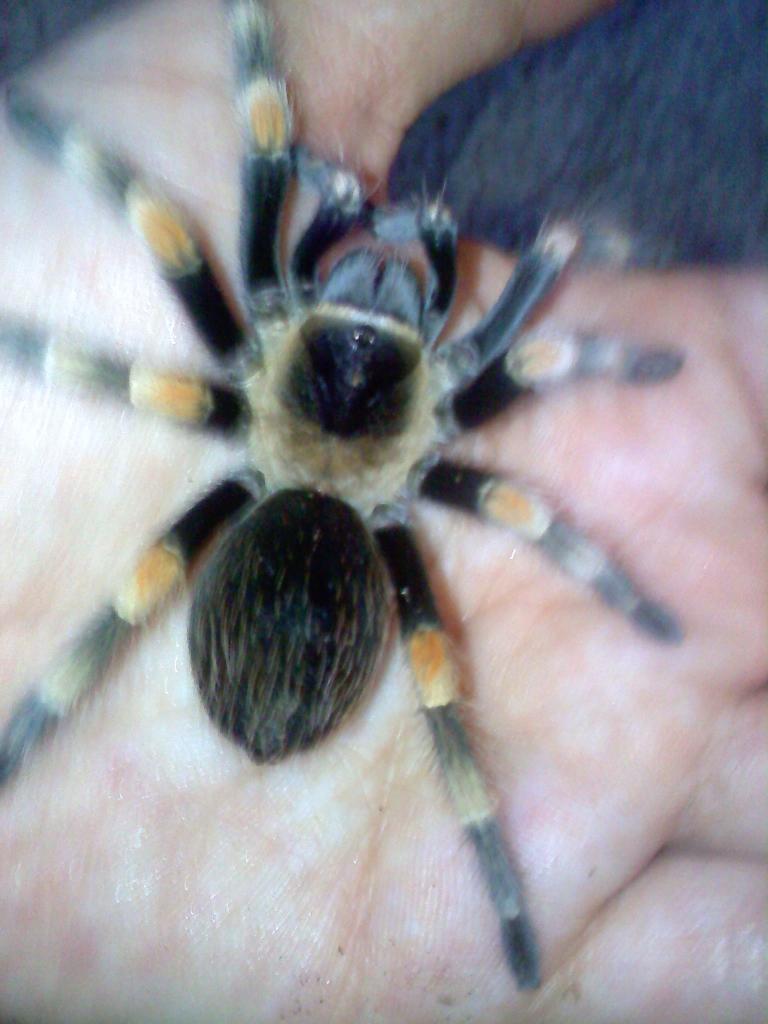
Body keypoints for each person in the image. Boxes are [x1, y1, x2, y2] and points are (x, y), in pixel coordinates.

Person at [0, 0, 765, 1020]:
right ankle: (491, 863)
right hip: (338, 535)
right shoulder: (441, 438)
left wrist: (247, 43)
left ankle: (26, 732)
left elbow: (156, 235)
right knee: (439, 667)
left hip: (279, 510)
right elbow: (528, 414)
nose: (370, 286)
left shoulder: (230, 378)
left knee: (165, 272)